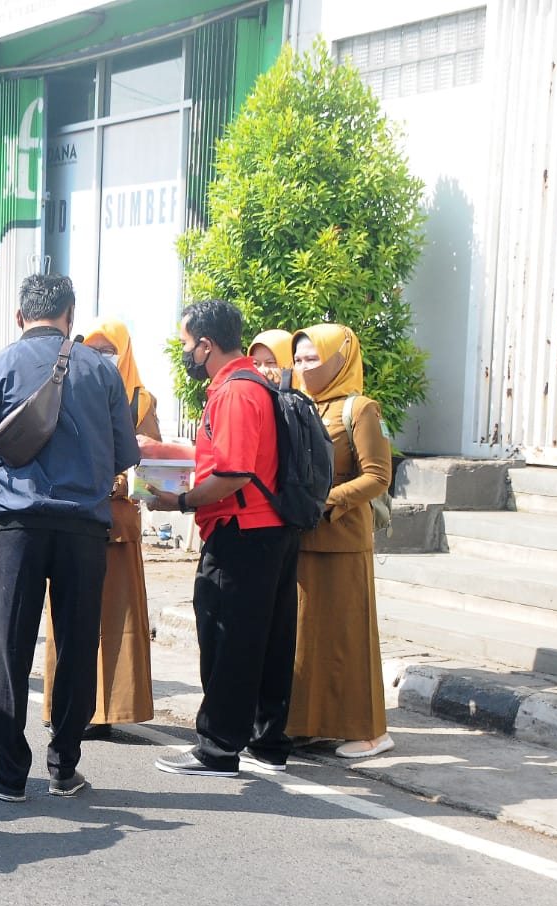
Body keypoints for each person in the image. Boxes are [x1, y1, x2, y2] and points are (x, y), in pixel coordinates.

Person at [0, 275, 140, 801]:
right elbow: (124, 455)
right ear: (71, 314)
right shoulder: (103, 371)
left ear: (21, 317)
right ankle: (64, 767)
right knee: (79, 644)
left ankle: (9, 774)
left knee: (9, 649)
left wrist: (2, 494)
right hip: (86, 527)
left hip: (19, 524)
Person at [147, 298, 301, 776]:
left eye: (188, 344)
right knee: (267, 640)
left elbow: (232, 473)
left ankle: (217, 748)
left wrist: (180, 502)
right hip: (270, 528)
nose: (187, 353)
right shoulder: (256, 383)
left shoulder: (234, 391)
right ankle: (266, 742)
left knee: (226, 638)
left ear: (207, 344)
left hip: (240, 530)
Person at [42, 318, 157, 739]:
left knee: (116, 619)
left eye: (112, 350)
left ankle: (110, 710)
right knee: (71, 619)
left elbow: (153, 468)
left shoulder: (142, 402)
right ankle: (69, 707)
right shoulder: (70, 388)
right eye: (96, 348)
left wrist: (121, 481)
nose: (104, 356)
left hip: (118, 524)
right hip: (74, 519)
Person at [289, 323, 395, 758]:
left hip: (343, 537)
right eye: (297, 359)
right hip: (301, 536)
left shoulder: (360, 408)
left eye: (313, 358)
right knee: (308, 637)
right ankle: (311, 725)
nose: (303, 367)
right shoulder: (297, 405)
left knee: (350, 638)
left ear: (339, 359)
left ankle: (370, 731)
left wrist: (327, 500)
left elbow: (378, 476)